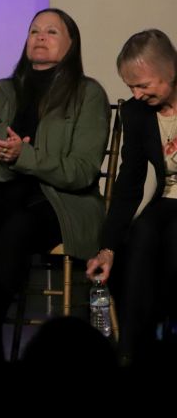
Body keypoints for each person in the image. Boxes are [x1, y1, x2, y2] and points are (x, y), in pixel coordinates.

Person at [0, 8, 109, 309]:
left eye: (52, 32)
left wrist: (24, 157)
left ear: (72, 44)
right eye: (34, 31)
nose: (40, 36)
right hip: (8, 192)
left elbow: (82, 172)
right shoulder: (3, 92)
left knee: (18, 229)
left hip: (62, 201)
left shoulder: (87, 94)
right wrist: (6, 162)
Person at [86, 29, 177, 361]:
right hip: (167, 201)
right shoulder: (138, 113)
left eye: (144, 85)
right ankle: (131, 354)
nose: (137, 94)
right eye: (131, 87)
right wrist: (108, 247)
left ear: (170, 71)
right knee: (139, 238)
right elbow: (130, 183)